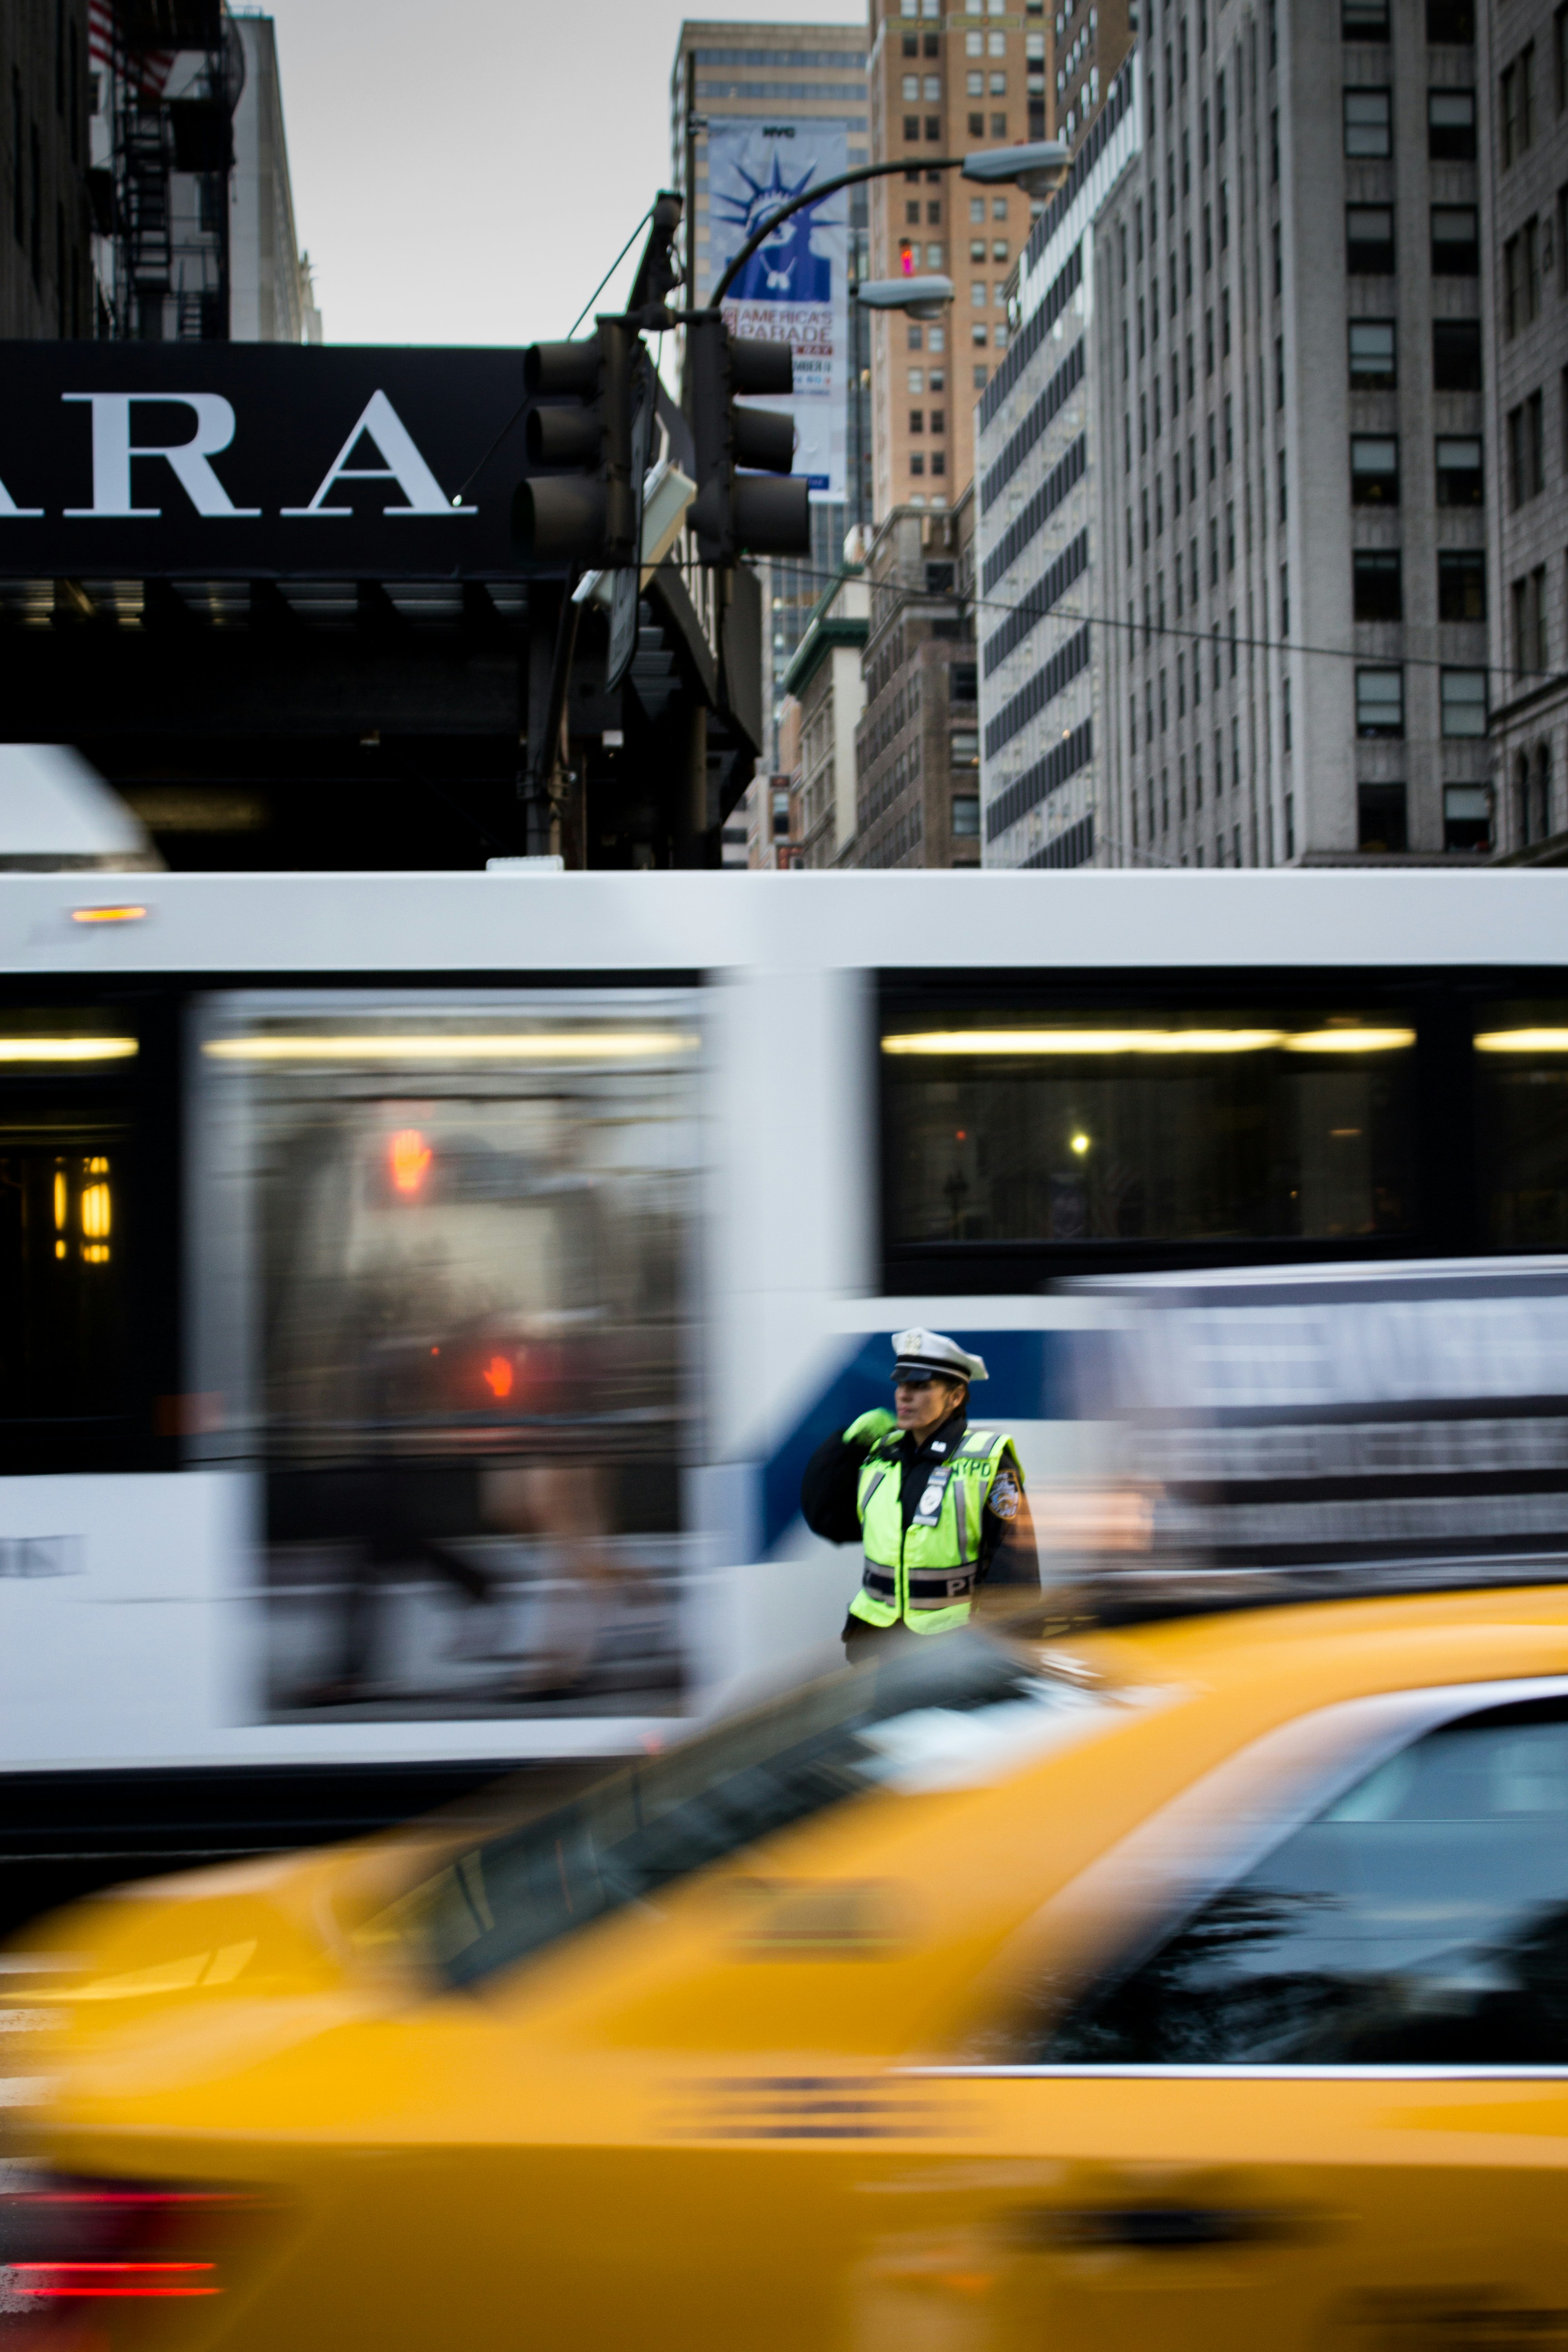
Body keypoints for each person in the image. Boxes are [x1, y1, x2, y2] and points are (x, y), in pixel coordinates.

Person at [800, 1328, 1039, 1661]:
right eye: (901, 1384)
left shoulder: (988, 1460)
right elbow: (829, 1521)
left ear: (955, 1397)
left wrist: (996, 1658)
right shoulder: (879, 1455)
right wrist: (844, 1449)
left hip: (948, 1654)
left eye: (921, 1386)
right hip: (875, 1646)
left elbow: (1014, 1572)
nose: (904, 1395)